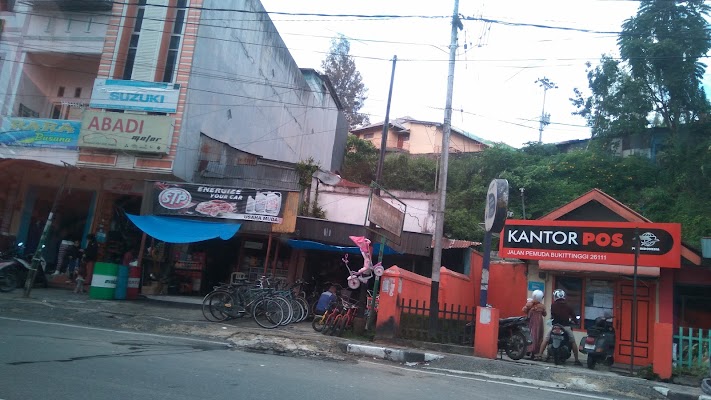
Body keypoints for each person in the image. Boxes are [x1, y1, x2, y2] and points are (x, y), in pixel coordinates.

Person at [535, 289, 582, 365]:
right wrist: (576, 322)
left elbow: (552, 315)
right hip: (565, 326)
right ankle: (576, 360)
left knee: (546, 339)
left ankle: (540, 355)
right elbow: (573, 316)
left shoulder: (553, 305)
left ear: (555, 296)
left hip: (555, 326)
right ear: (563, 296)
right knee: (572, 341)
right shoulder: (568, 306)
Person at [522, 289, 546, 359]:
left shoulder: (529, 304)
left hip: (530, 321)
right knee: (538, 337)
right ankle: (535, 352)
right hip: (539, 323)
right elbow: (545, 314)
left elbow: (523, 310)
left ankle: (528, 350)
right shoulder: (542, 306)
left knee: (529, 335)